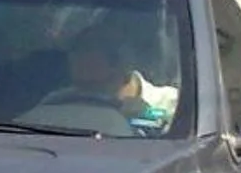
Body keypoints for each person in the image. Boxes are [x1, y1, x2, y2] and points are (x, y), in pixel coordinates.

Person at [42, 19, 179, 130]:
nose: (73, 57)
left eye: (87, 49)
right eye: (75, 48)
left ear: (120, 61)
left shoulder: (171, 104)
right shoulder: (58, 102)